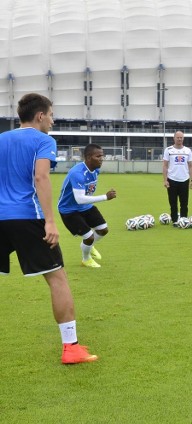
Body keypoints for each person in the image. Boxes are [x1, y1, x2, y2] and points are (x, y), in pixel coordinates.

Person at [0, 93, 98, 364]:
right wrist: (50, 221)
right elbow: (41, 176)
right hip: (27, 217)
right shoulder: (43, 140)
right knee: (57, 278)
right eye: (51, 115)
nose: (53, 121)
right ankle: (71, 348)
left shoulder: (1, 139)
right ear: (40, 115)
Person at [58, 144, 117, 268]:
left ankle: (88, 246)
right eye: (98, 156)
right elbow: (79, 199)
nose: (102, 158)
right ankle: (86, 259)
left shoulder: (95, 170)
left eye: (102, 155)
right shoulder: (77, 173)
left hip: (85, 207)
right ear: (89, 157)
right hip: (69, 209)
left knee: (103, 229)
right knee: (89, 237)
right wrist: (105, 197)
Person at [162, 131, 192, 226]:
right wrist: (165, 180)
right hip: (172, 179)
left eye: (181, 137)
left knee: (184, 203)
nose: (179, 139)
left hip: (184, 179)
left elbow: (191, 166)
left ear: (183, 138)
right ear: (174, 138)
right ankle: (175, 221)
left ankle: (183, 220)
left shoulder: (188, 151)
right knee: (173, 203)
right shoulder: (168, 150)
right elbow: (165, 165)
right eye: (178, 137)